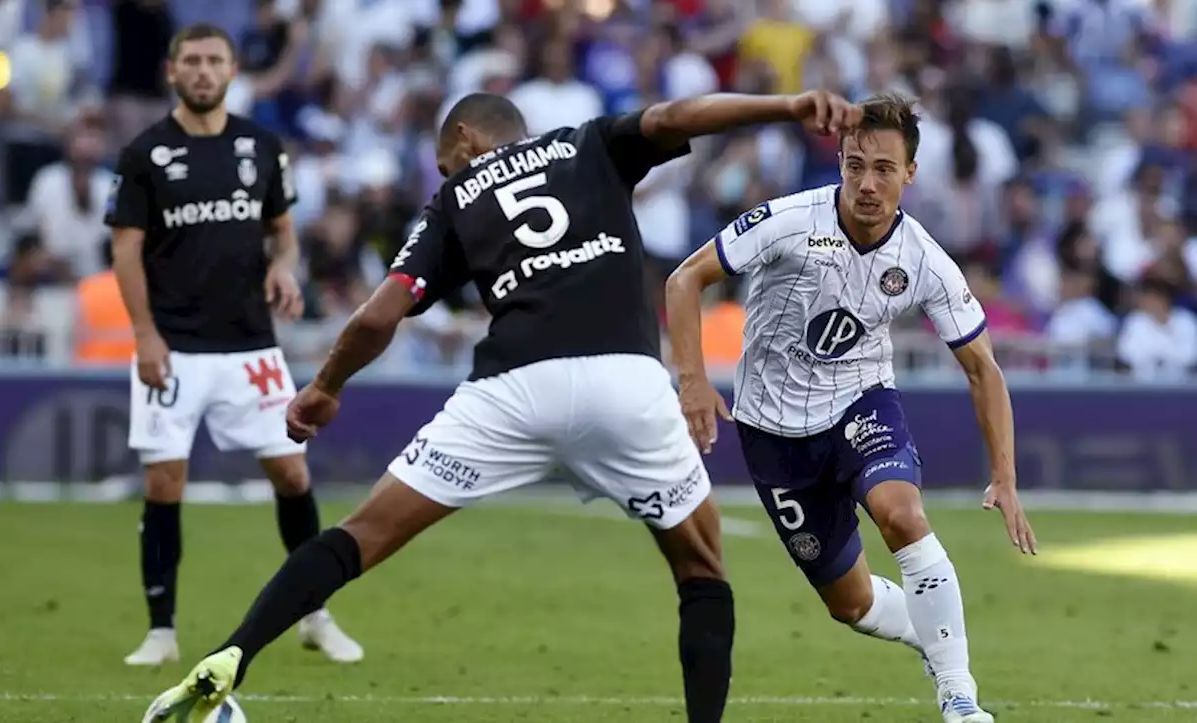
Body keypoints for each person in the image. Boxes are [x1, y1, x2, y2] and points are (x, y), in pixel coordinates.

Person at [144, 89, 864, 723]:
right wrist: (789, 106)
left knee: (359, 534)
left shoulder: (456, 198)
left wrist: (325, 386)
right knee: (703, 570)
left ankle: (231, 652)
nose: (445, 174)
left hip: (514, 389)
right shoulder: (588, 142)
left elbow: (377, 315)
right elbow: (677, 116)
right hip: (627, 381)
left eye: (442, 162)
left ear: (464, 142)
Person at [664, 93, 1038, 723]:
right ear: (839, 161)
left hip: (860, 401)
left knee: (901, 512)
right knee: (851, 604)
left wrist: (1004, 475)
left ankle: (958, 693)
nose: (866, 184)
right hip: (772, 429)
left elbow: (983, 367)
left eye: (884, 169)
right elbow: (684, 280)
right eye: (854, 165)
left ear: (910, 174)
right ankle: (930, 627)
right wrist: (694, 382)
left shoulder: (923, 260)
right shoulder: (786, 220)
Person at [105, 23, 362, 668]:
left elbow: (283, 230)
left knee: (292, 472)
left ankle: (315, 613)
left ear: (230, 70)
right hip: (175, 348)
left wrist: (283, 265)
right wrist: (143, 334)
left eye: (213, 60)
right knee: (165, 483)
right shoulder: (145, 154)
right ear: (172, 71)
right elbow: (125, 249)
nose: (202, 71)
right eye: (190, 60)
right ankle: (161, 631)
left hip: (251, 347)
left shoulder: (261, 146)